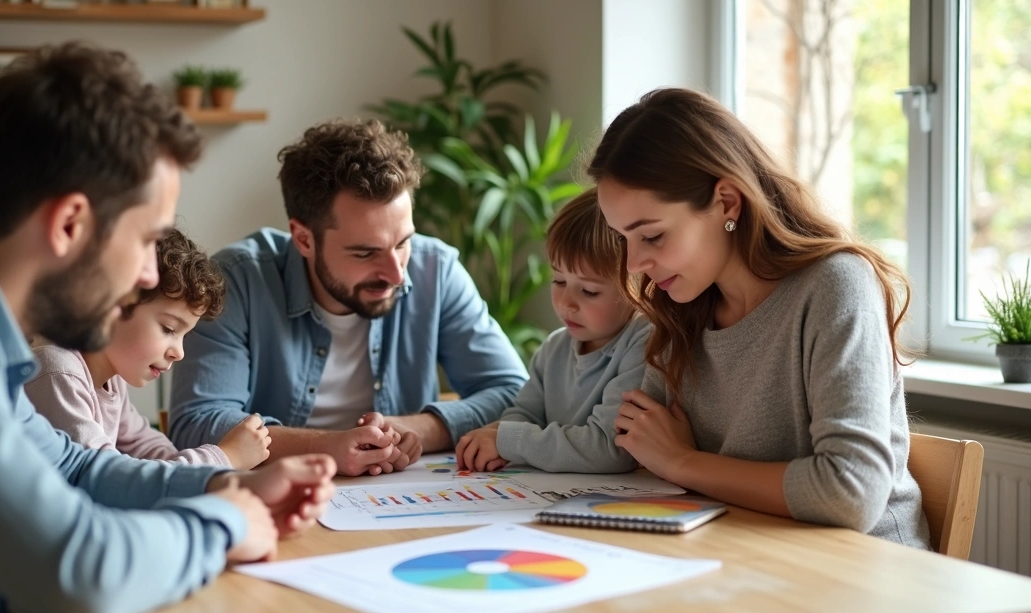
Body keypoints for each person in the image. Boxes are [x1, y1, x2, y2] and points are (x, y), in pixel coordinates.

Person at [0, 43, 333, 613]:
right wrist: (222, 522)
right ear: (69, 223)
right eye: (146, 240)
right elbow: (76, 571)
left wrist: (228, 483)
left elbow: (72, 467)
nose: (149, 274)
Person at [590, 87, 929, 548]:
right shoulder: (682, 306)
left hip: (864, 575)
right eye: (622, 238)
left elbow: (851, 494)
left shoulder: (835, 286)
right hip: (744, 553)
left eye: (650, 236)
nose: (632, 265)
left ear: (727, 202)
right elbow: (642, 445)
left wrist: (685, 462)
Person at [168, 119, 529, 476]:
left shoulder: (436, 269)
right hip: (278, 498)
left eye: (403, 243)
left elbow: (514, 393)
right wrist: (325, 447)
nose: (397, 274)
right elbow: (198, 422)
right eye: (365, 253)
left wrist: (418, 429)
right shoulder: (237, 280)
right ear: (304, 239)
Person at [26, 228, 271, 470]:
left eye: (184, 335)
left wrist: (201, 473)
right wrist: (224, 458)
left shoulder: (110, 379)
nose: (179, 353)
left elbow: (147, 445)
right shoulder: (58, 371)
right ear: (112, 303)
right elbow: (108, 479)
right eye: (168, 328)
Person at [455, 189, 651, 473]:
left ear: (638, 286)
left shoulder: (644, 342)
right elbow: (523, 415)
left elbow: (610, 448)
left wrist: (509, 440)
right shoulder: (554, 347)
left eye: (589, 290)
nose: (566, 303)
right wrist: (493, 437)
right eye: (559, 281)